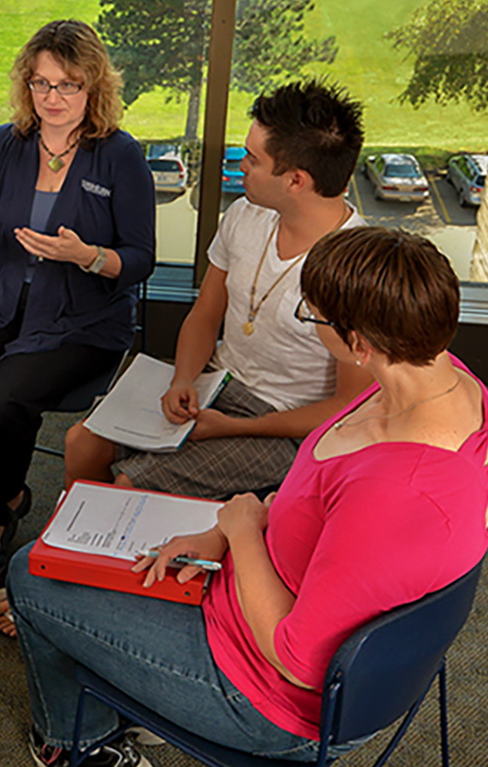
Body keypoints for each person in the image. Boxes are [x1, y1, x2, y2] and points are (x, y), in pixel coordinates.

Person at [5, 226, 488, 767]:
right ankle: (130, 692)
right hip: (255, 591)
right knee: (89, 552)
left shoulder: (395, 488)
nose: (310, 325)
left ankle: (80, 743)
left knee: (30, 576)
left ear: (359, 345)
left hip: (266, 696)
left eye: (313, 318)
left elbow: (298, 660)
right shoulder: (450, 382)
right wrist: (223, 529)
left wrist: (242, 530)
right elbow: (322, 506)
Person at [0, 19, 155, 596]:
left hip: (81, 319)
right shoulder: (5, 144)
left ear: (93, 88)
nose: (53, 99)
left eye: (67, 85)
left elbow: (139, 259)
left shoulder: (119, 156)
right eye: (42, 85)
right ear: (27, 86)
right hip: (2, 299)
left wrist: (87, 255)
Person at [62, 80, 374, 501]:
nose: (240, 165)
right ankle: (75, 554)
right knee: (80, 442)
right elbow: (205, 315)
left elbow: (347, 405)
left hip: (284, 425)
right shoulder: (245, 215)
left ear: (296, 180)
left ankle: (105, 551)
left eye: (253, 159)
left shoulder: (360, 267)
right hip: (217, 384)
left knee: (132, 484)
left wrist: (237, 427)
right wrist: (183, 378)